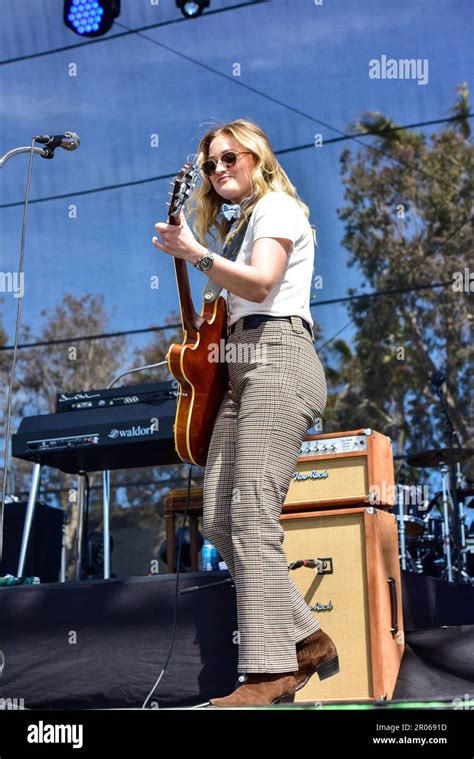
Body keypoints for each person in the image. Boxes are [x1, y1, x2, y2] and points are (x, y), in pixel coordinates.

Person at [152, 119, 339, 707]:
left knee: (252, 514)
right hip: (243, 368)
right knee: (221, 520)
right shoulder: (237, 231)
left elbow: (261, 285)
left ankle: (268, 675)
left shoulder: (278, 207)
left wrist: (196, 252)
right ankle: (308, 640)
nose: (218, 170)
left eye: (228, 158)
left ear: (256, 157)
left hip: (280, 357)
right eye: (209, 164)